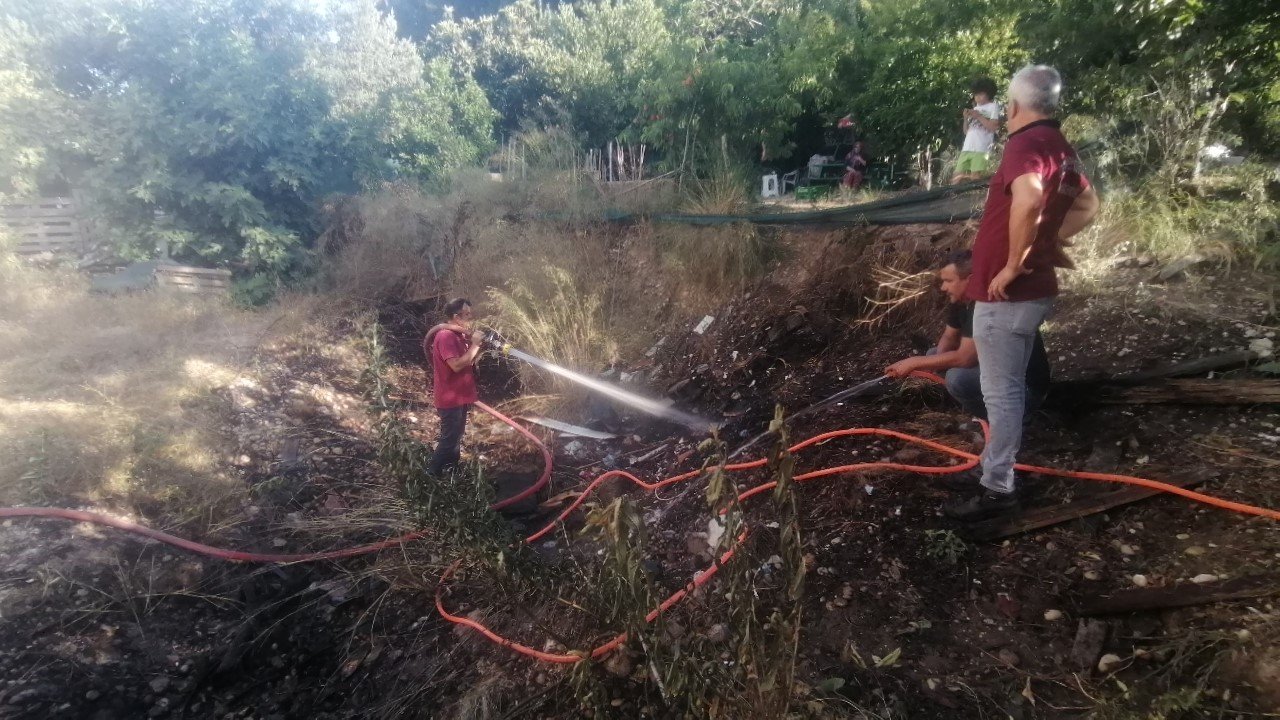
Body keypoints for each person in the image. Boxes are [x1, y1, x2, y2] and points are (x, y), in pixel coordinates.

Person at [944, 65, 1100, 522]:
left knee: (1002, 394)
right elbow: (1089, 205)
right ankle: (996, 471)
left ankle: (997, 491)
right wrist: (1049, 240)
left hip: (1008, 296)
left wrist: (1014, 263)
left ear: (1011, 106)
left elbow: (1029, 198)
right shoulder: (1059, 147)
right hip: (1031, 292)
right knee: (1004, 390)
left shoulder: (1024, 143)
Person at [883, 250, 1049, 419]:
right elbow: (949, 337)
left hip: (1025, 388)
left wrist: (913, 362)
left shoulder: (987, 303)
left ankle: (1006, 421)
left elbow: (965, 358)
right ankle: (977, 405)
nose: (943, 287)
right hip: (997, 367)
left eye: (949, 281)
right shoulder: (961, 301)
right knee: (934, 355)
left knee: (957, 379)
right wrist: (934, 366)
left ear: (971, 281)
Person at [423, 298, 485, 477]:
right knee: (449, 439)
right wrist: (475, 344)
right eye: (467, 315)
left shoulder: (458, 335)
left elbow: (469, 360)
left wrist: (477, 346)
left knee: (457, 437)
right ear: (456, 317)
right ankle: (430, 476)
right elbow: (456, 365)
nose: (470, 318)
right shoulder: (445, 336)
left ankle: (450, 470)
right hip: (450, 399)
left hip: (461, 396)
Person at [951, 77, 1002, 184]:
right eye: (975, 94)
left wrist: (978, 116)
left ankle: (974, 198)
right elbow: (966, 132)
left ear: (989, 94)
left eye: (981, 94)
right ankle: (953, 196)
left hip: (981, 148)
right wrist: (965, 118)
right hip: (967, 147)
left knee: (975, 177)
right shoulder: (975, 108)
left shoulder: (993, 107)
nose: (977, 97)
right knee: (956, 176)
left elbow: (993, 127)